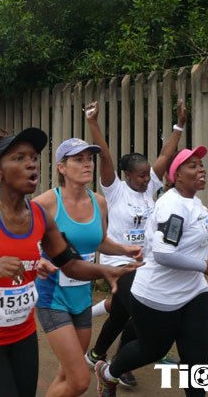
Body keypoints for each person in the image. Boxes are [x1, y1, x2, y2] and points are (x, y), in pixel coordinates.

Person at [0, 127, 141, 397]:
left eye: (33, 157)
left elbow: (69, 265)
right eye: (19, 158)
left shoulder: (40, 216)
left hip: (23, 335)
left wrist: (105, 270)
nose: (31, 163)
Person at [94, 146, 208, 397]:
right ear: (176, 176)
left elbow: (189, 243)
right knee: (152, 350)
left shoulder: (195, 203)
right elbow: (163, 253)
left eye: (201, 165)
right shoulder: (172, 206)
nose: (201, 169)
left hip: (193, 291)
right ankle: (109, 373)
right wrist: (203, 265)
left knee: (197, 359)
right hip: (158, 294)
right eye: (192, 166)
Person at [85, 100, 187, 385]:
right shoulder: (115, 190)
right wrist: (93, 121)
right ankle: (122, 364)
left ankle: (96, 354)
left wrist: (179, 124)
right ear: (127, 174)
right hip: (118, 263)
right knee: (141, 312)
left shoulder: (149, 186)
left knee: (120, 314)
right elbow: (105, 156)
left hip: (144, 264)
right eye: (141, 175)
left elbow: (166, 154)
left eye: (147, 174)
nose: (146, 179)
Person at [33, 136, 143, 396]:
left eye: (89, 159)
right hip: (52, 297)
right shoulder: (46, 203)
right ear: (62, 167)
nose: (87, 164)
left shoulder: (99, 202)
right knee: (80, 379)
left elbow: (100, 241)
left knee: (66, 374)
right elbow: (22, 241)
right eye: (79, 159)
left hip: (82, 298)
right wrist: (37, 259)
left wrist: (124, 249)